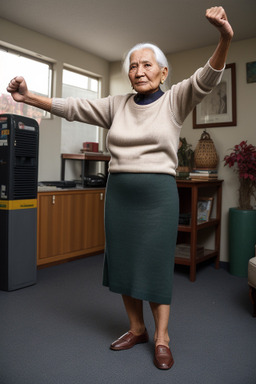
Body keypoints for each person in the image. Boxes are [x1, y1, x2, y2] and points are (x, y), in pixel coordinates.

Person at [7, 6, 233, 370]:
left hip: (157, 197)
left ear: (163, 72)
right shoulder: (117, 105)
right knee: (124, 263)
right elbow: (75, 107)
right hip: (120, 195)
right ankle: (136, 327)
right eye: (132, 65)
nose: (138, 71)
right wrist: (30, 98)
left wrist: (224, 37)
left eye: (146, 64)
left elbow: (207, 78)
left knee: (156, 266)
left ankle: (162, 337)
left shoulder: (175, 101)